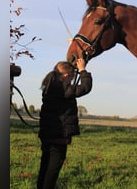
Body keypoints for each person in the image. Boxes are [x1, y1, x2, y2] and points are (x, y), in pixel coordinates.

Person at [37, 58, 92, 189]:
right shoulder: (63, 87)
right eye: (71, 77)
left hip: (47, 134)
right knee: (53, 169)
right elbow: (85, 87)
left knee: (45, 165)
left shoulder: (50, 86)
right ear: (66, 75)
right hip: (59, 135)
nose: (71, 81)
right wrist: (83, 70)